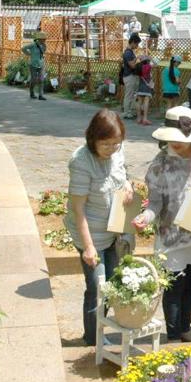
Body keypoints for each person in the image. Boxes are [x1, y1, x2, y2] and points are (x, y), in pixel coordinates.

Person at [132, 106, 191, 342]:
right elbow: (154, 203)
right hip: (172, 236)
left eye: (179, 140)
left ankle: (185, 328)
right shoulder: (160, 164)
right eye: (170, 139)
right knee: (174, 287)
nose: (174, 144)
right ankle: (173, 336)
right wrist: (146, 217)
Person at [64, 109, 133, 346]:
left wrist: (129, 185)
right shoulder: (81, 162)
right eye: (106, 144)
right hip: (89, 232)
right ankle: (93, 341)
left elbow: (123, 174)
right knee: (96, 287)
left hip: (114, 228)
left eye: (116, 143)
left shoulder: (118, 150)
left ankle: (100, 331)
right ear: (92, 138)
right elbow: (78, 210)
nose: (112, 149)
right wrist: (88, 247)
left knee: (112, 284)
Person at [22, 31, 47, 100]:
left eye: (45, 39)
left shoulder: (44, 45)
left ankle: (41, 95)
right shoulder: (33, 45)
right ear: (39, 39)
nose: (45, 40)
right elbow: (23, 48)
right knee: (34, 80)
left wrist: (43, 49)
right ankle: (32, 93)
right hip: (33, 64)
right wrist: (29, 54)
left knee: (41, 80)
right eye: (43, 39)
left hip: (41, 64)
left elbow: (43, 52)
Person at [121, 33, 141, 118]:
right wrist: (137, 58)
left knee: (132, 94)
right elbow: (132, 65)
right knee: (129, 95)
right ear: (132, 42)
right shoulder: (128, 53)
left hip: (131, 76)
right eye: (136, 44)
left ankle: (130, 111)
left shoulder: (130, 52)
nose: (137, 46)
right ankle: (126, 112)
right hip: (129, 76)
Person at [135, 56, 155, 126]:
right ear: (147, 61)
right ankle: (145, 119)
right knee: (146, 101)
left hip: (140, 86)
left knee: (139, 102)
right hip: (147, 86)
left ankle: (138, 118)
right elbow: (156, 64)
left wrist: (138, 58)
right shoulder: (148, 66)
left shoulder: (139, 67)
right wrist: (151, 58)